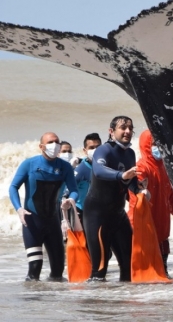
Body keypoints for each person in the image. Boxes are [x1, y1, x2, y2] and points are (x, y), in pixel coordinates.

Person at [82, 116, 147, 281]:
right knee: (99, 270)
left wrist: (138, 188)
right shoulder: (104, 150)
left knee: (128, 266)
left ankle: (120, 304)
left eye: (130, 128)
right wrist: (121, 174)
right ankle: (94, 306)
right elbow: (98, 170)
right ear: (111, 132)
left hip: (118, 215)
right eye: (123, 128)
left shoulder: (130, 153)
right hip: (97, 216)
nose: (127, 131)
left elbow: (129, 181)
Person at [8, 132, 78, 281]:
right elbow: (13, 187)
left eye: (57, 142)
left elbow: (74, 190)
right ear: (41, 146)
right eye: (51, 142)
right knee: (34, 269)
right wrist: (19, 209)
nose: (55, 145)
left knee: (58, 270)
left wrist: (69, 200)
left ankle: (51, 302)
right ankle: (32, 302)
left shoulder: (65, 167)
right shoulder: (29, 164)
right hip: (32, 222)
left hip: (52, 222)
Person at [128, 129, 173, 276]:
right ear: (146, 144)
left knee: (162, 276)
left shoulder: (165, 168)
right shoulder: (141, 168)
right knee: (145, 276)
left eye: (161, 143)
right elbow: (136, 195)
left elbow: (172, 199)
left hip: (161, 233)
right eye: (155, 143)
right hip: (144, 231)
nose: (159, 147)